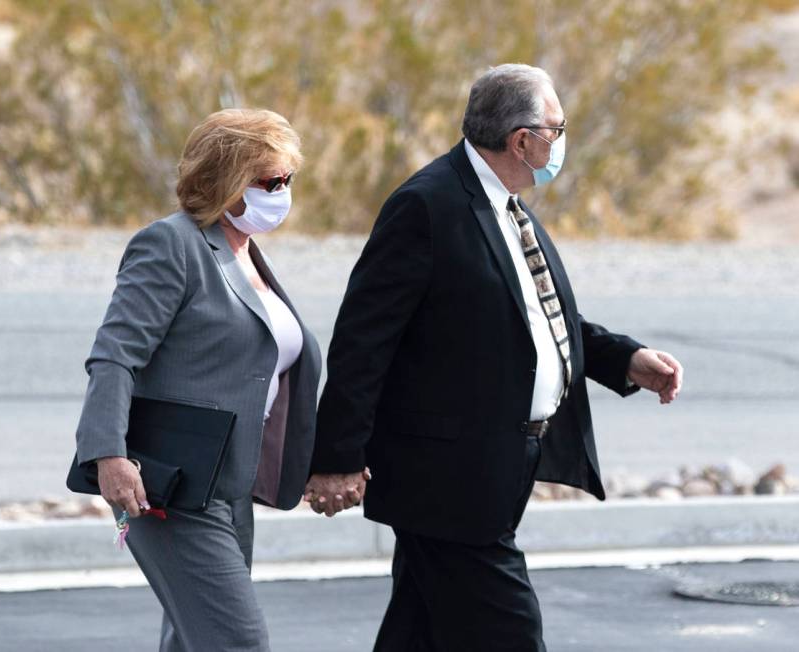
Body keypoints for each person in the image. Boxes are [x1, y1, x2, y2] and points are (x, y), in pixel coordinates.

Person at [305, 64, 684, 651]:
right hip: (447, 477)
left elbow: (534, 314)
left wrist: (623, 359)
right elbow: (363, 341)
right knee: (510, 631)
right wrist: (336, 458)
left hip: (499, 463)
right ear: (521, 140)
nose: (560, 143)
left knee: (420, 628)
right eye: (556, 130)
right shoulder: (428, 206)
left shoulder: (504, 203)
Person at [73, 108, 322, 651]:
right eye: (270, 181)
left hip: (231, 487)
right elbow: (115, 355)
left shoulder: (246, 252)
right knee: (238, 643)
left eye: (288, 180)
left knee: (193, 643)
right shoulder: (171, 245)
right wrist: (108, 456)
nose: (283, 193)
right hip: (169, 489)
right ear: (226, 180)